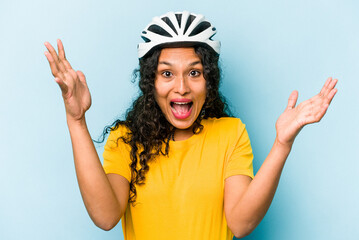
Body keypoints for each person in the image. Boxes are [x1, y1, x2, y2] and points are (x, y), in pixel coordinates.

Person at [44, 11, 338, 240]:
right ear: (151, 82)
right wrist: (77, 120)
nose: (182, 87)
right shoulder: (127, 139)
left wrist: (282, 145)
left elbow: (240, 222)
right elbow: (106, 217)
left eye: (194, 72)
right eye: (167, 73)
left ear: (208, 80)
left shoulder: (230, 134)